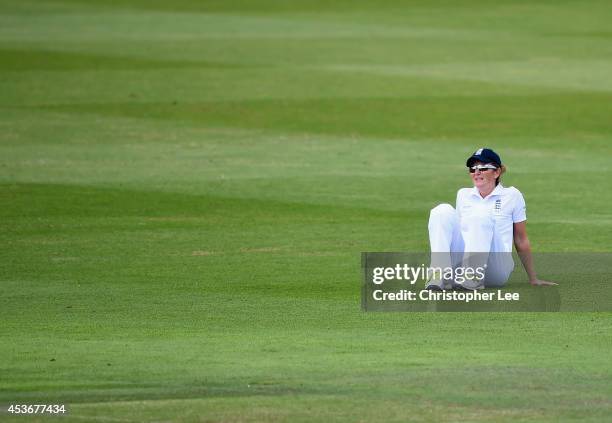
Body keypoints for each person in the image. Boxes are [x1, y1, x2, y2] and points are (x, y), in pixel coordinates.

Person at [426, 148, 557, 290]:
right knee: (441, 211)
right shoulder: (463, 194)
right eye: (473, 169)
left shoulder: (512, 195)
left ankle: (472, 278)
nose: (477, 172)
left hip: (497, 267)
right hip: (463, 265)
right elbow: (462, 235)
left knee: (480, 215)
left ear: (497, 172)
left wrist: (533, 278)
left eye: (483, 168)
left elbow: (520, 238)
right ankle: (438, 276)